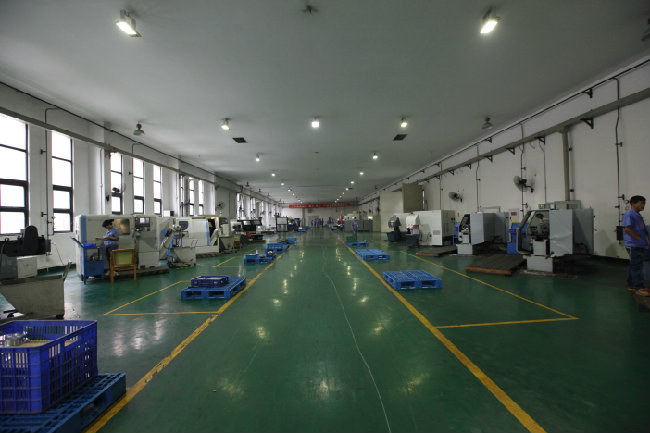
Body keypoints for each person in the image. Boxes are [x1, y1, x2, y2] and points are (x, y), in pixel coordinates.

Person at [622, 195, 650, 296]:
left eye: (644, 203)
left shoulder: (638, 215)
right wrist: (638, 238)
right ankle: (639, 288)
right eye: (641, 203)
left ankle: (631, 285)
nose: (643, 205)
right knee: (637, 267)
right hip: (634, 245)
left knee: (634, 266)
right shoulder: (629, 214)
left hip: (639, 245)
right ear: (633, 204)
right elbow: (627, 229)